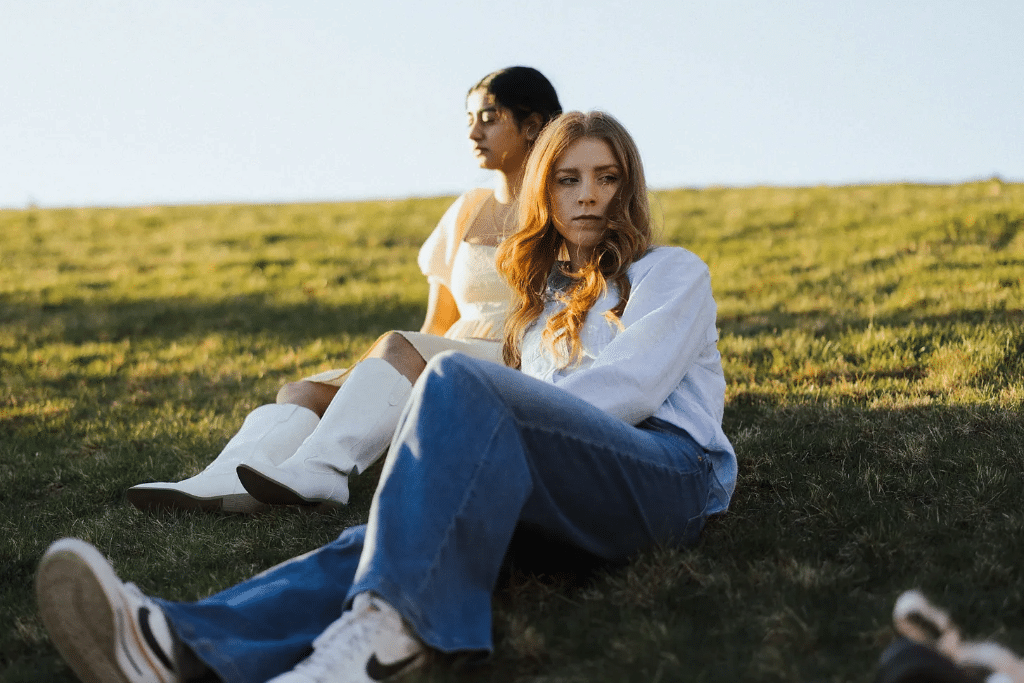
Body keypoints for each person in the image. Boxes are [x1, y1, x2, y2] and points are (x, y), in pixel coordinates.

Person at [36, 111, 738, 683]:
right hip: (570, 490)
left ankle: (390, 641)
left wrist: (491, 441)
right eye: (569, 179)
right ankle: (175, 641)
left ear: (628, 189)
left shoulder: (672, 273)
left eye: (607, 178)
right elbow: (540, 418)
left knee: (455, 380)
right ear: (546, 196)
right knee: (389, 537)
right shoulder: (535, 314)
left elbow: (628, 391)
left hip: (668, 476)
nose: (588, 195)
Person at [126, 66, 562, 513]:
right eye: (469, 119)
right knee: (304, 392)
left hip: (515, 362)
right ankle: (225, 479)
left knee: (396, 344)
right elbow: (437, 324)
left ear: (532, 126)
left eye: (489, 118)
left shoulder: (562, 210)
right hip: (443, 355)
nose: (473, 133)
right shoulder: (467, 210)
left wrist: (404, 354)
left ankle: (324, 470)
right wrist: (387, 372)